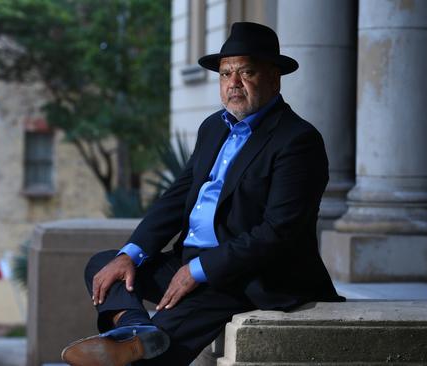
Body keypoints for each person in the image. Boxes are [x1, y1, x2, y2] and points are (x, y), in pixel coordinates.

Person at [61, 22, 343, 366]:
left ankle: (138, 344)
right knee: (105, 266)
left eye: (246, 72)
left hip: (247, 274)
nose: (233, 84)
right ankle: (135, 328)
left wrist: (199, 270)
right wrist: (130, 254)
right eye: (225, 74)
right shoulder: (213, 127)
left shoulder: (297, 140)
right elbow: (177, 197)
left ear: (274, 78)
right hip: (190, 261)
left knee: (154, 352)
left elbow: (279, 232)